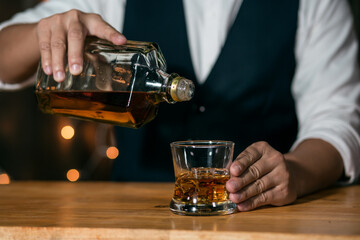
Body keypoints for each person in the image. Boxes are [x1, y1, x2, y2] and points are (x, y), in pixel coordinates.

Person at [0, 0, 359, 212]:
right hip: (133, 222)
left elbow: (338, 118)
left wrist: (295, 171)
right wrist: (40, 36)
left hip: (264, 223)